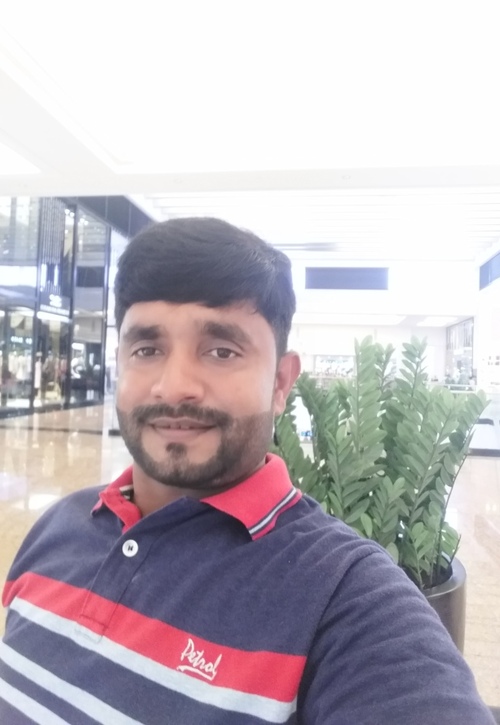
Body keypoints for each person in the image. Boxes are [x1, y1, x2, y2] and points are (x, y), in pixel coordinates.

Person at [0, 218, 494, 725]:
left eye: (221, 351)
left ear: (280, 383)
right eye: (147, 349)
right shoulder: (57, 528)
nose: (174, 386)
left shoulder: (346, 598)